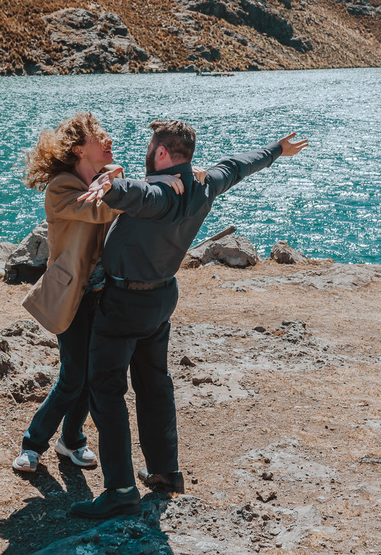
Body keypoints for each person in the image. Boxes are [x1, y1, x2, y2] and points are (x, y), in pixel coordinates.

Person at [69, 120, 309, 518]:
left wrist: (110, 183)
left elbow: (142, 194)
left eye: (150, 146)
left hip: (124, 302)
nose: (147, 150)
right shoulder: (202, 183)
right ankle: (165, 472)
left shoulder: (161, 192)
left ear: (161, 152)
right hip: (161, 297)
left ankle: (121, 489)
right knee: (154, 383)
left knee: (106, 389)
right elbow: (237, 165)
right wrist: (276, 150)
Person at [14, 113, 186, 474]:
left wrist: (156, 181)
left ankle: (72, 439)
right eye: (100, 137)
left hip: (105, 293)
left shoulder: (107, 178)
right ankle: (34, 442)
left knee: (94, 376)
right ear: (79, 149)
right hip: (73, 294)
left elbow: (121, 193)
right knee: (74, 375)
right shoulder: (61, 188)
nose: (109, 140)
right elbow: (102, 209)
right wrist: (156, 184)